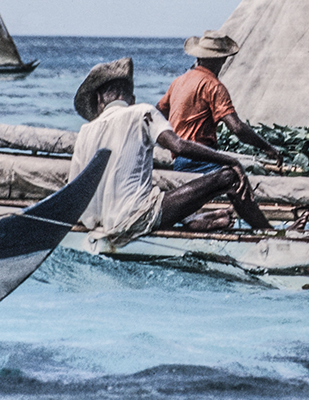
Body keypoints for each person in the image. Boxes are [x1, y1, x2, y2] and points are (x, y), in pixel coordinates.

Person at [68, 57, 273, 251]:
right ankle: (270, 236)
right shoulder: (141, 112)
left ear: (98, 99)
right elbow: (178, 146)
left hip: (95, 225)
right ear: (132, 98)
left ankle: (193, 221)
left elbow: (74, 190)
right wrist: (231, 160)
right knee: (229, 176)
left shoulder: (86, 131)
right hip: (132, 220)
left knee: (153, 194)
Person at [156, 31, 281, 173]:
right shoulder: (213, 86)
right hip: (201, 158)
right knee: (238, 177)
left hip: (180, 158)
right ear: (222, 59)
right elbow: (237, 128)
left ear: (198, 57)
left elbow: (156, 113)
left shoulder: (178, 81)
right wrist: (267, 147)